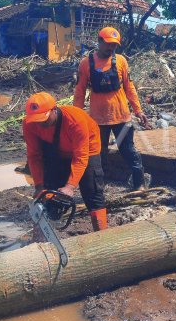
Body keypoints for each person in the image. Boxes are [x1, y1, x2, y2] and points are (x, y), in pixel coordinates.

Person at [74, 27, 150, 190]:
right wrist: (77, 117)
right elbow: (80, 91)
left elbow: (130, 88)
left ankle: (140, 184)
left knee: (128, 151)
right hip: (97, 120)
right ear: (99, 41)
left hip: (122, 117)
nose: (111, 48)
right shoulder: (86, 64)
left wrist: (138, 110)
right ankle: (99, 185)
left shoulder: (121, 61)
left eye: (114, 45)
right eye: (108, 44)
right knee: (98, 153)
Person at [22, 92, 108, 231]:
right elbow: (34, 156)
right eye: (36, 120)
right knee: (50, 192)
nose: (40, 123)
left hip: (87, 149)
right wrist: (39, 185)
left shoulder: (75, 120)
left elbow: (81, 157)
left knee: (92, 191)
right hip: (57, 148)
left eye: (44, 119)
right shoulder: (29, 124)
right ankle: (44, 233)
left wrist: (70, 186)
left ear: (54, 110)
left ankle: (102, 232)